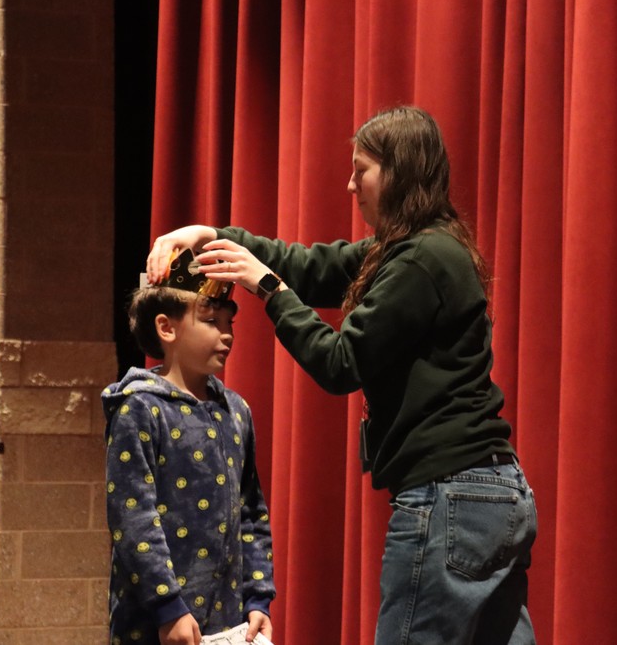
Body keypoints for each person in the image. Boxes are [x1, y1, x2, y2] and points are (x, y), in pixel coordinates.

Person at [146, 105, 537, 644]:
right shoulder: (412, 249)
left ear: (399, 173)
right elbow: (312, 265)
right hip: (491, 494)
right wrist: (213, 236)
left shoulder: (422, 258)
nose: (350, 184)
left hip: (452, 495)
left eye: (362, 169)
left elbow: (339, 362)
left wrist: (270, 291)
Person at [103, 251, 275, 645]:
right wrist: (168, 607)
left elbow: (251, 512)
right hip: (157, 623)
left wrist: (257, 598)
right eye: (212, 322)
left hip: (228, 621)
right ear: (166, 327)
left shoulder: (236, 411)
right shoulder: (140, 407)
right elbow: (133, 518)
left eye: (230, 323)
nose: (226, 334)